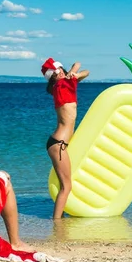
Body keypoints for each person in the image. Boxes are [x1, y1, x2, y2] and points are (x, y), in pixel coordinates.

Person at [41, 58, 89, 219]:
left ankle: (59, 218)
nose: (60, 72)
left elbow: (84, 72)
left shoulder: (63, 86)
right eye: (56, 72)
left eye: (61, 69)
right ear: (53, 78)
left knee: (66, 185)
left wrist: (72, 74)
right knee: (66, 186)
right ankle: (57, 223)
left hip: (58, 143)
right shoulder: (62, 85)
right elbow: (79, 65)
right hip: (58, 144)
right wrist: (72, 71)